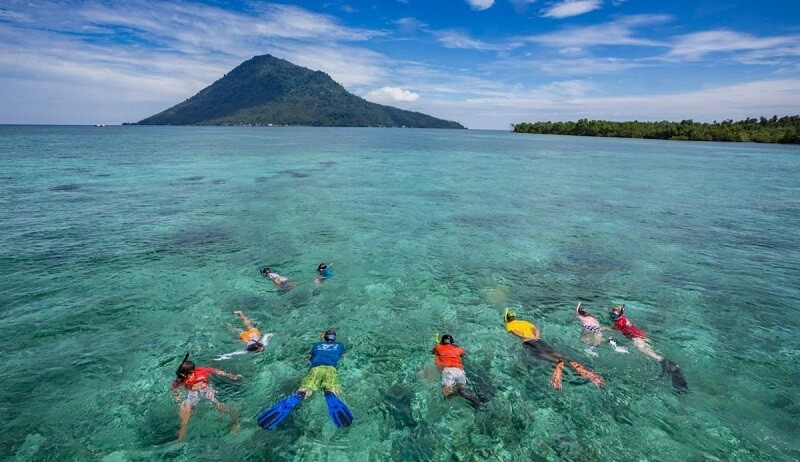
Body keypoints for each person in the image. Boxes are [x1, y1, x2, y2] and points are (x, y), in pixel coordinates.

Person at [257, 329, 354, 429]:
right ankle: (329, 393)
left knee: (306, 389)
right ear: (334, 338)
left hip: (315, 369)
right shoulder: (340, 345)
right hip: (331, 369)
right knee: (331, 389)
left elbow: (309, 357)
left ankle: (301, 394)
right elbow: (342, 357)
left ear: (325, 337)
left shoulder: (317, 345)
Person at [504, 309, 604, 389]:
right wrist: (536, 337)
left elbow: (513, 332)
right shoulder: (524, 322)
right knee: (555, 353)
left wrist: (524, 337)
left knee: (540, 355)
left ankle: (558, 362)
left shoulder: (508, 325)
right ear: (514, 317)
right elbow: (536, 329)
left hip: (528, 342)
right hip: (539, 340)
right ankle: (568, 361)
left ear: (507, 319)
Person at [608, 305, 688, 391]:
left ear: (618, 315)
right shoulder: (623, 319)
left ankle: (667, 364)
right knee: (651, 351)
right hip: (641, 335)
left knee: (647, 353)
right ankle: (665, 363)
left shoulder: (619, 322)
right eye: (612, 314)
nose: (612, 316)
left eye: (613, 315)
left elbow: (613, 329)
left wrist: (600, 328)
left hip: (636, 338)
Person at [171, 353, 241, 441]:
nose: (183, 378)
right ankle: (180, 438)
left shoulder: (201, 371)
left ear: (192, 371)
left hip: (206, 390)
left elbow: (216, 371)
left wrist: (232, 376)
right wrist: (178, 396)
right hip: (192, 393)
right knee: (185, 416)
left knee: (218, 406)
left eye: (186, 376)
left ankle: (236, 421)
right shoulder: (182, 377)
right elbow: (174, 386)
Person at [430, 334, 483, 407]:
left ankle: (446, 405)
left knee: (447, 391)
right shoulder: (458, 349)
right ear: (451, 342)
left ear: (442, 341)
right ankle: (478, 403)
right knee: (462, 389)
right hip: (459, 371)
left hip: (448, 371)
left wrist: (437, 347)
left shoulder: (438, 347)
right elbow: (464, 354)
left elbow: (432, 352)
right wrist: (456, 346)